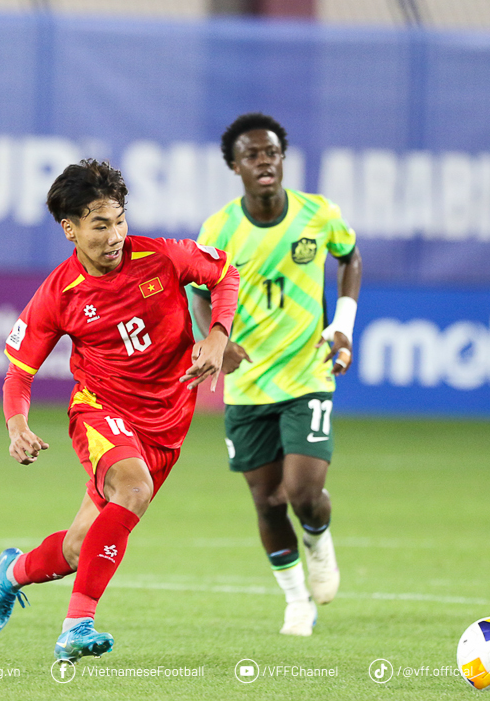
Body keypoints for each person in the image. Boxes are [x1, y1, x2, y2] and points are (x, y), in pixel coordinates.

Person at [0, 159, 238, 663]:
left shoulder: (162, 256)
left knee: (80, 549)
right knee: (133, 489)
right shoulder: (58, 293)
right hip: (101, 410)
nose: (115, 236)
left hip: (167, 422)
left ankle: (12, 572)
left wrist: (218, 335)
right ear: (70, 229)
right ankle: (77, 626)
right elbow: (19, 373)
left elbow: (226, 273)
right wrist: (17, 425)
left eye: (119, 220)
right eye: (100, 225)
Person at [192, 113, 362, 636]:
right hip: (247, 384)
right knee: (267, 501)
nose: (264, 161)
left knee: (303, 492)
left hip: (307, 374)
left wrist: (342, 325)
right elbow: (196, 290)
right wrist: (216, 340)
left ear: (282, 159)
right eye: (252, 155)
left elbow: (350, 258)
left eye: (272, 152)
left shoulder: (317, 214)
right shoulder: (220, 229)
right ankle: (296, 602)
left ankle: (318, 539)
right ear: (235, 166)